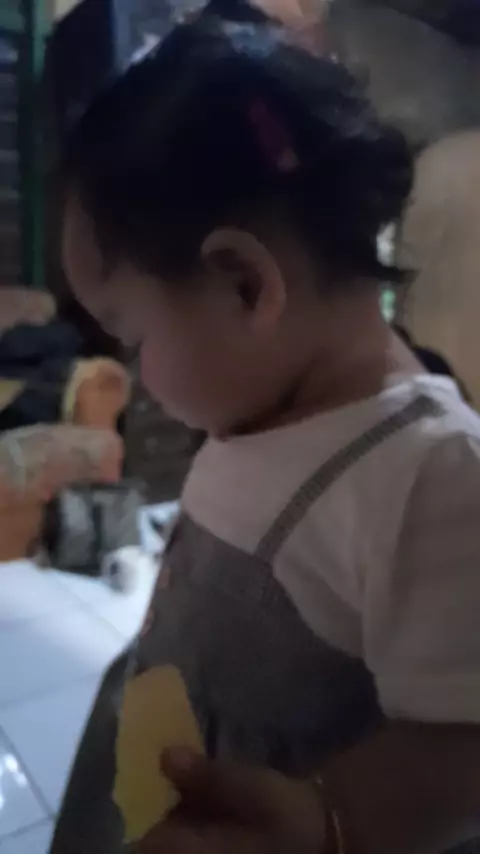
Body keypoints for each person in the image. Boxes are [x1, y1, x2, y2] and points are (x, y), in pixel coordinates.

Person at [57, 4, 480, 853]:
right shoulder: (264, 404)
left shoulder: (433, 477)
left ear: (245, 285)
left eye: (134, 339)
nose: (138, 373)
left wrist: (331, 817)